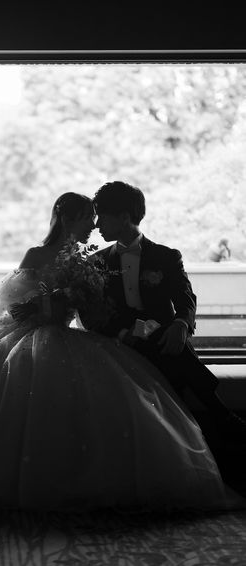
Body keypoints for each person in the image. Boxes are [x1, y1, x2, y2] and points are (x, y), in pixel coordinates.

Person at [0, 192, 242, 512]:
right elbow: (12, 304)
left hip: (79, 337)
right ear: (68, 219)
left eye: (98, 218)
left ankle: (227, 441)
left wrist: (87, 306)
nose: (94, 226)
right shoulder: (42, 256)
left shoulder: (93, 259)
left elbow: (96, 311)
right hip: (26, 336)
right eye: (88, 218)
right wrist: (47, 304)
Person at [91, 181, 246, 482]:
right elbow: (93, 313)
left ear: (124, 217)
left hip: (164, 342)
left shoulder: (166, 256)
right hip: (123, 346)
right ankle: (220, 415)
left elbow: (186, 298)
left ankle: (209, 450)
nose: (97, 225)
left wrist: (181, 325)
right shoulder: (96, 263)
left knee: (169, 343)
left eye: (102, 216)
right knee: (176, 361)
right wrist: (122, 334)